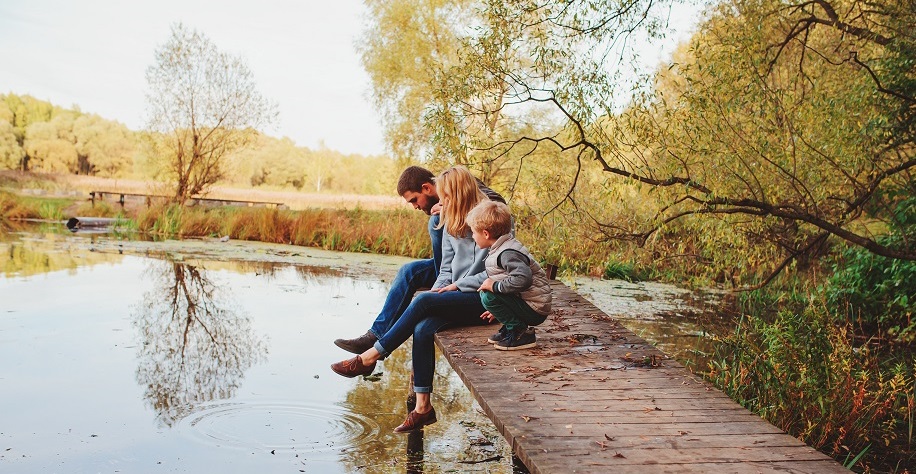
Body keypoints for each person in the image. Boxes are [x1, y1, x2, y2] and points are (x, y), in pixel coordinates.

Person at [330, 166, 493, 433]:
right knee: (422, 327)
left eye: (447, 197)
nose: (441, 202)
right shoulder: (447, 221)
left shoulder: (489, 221)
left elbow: (493, 272)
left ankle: (370, 356)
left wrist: (453, 287)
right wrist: (440, 289)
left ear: (460, 194)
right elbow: (445, 269)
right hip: (457, 293)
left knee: (422, 303)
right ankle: (422, 408)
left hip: (485, 298)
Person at [332, 166, 503, 354]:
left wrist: (451, 207)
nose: (415, 206)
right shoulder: (444, 201)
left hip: (478, 272)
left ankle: (378, 349)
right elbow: (446, 262)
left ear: (427, 188)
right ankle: (376, 335)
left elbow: (497, 204)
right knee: (409, 271)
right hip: (451, 267)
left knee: (435, 222)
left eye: (414, 199)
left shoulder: (458, 184)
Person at [467, 200, 552, 350]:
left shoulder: (507, 253)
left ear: (485, 234)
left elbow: (523, 279)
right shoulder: (502, 247)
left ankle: (520, 332)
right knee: (488, 293)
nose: (472, 236)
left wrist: (495, 286)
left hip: (536, 307)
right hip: (529, 301)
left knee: (488, 294)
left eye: (473, 232)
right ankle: (511, 326)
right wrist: (502, 308)